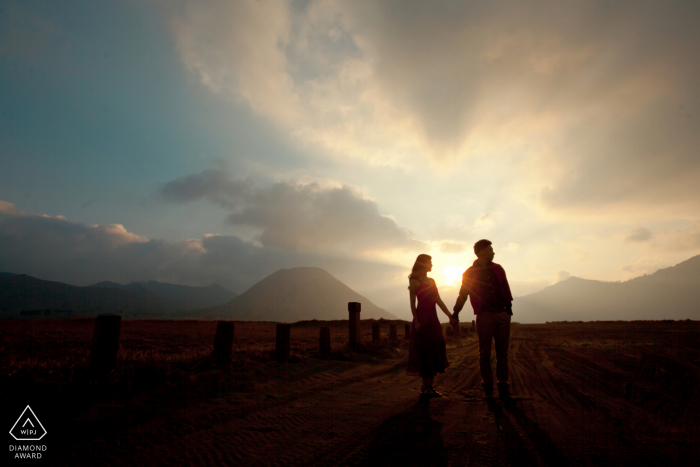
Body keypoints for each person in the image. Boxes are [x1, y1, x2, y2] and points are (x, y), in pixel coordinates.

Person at [453, 239, 514, 399]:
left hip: (502, 314)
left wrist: (508, 311)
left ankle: (502, 385)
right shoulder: (469, 273)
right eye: (490, 249)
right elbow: (463, 294)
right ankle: (487, 385)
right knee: (484, 353)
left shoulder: (499, 269)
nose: (493, 252)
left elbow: (506, 289)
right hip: (485, 315)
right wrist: (455, 313)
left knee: (502, 353)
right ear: (481, 251)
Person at [406, 254, 456, 397]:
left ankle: (430, 386)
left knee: (436, 347)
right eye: (430, 263)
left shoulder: (432, 281)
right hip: (422, 319)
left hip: (433, 319)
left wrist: (449, 315)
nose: (432, 265)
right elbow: (412, 304)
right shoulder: (415, 281)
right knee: (424, 351)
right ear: (423, 264)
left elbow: (438, 300)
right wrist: (416, 321)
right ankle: (424, 386)